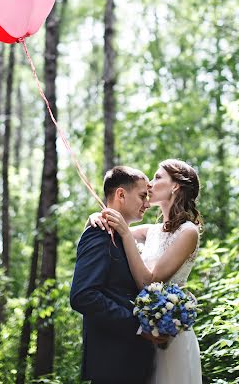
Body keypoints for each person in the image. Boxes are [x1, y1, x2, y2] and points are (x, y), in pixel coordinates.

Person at [90, 158, 203, 384]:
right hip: (146, 338)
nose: (150, 185)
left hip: (171, 336)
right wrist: (96, 216)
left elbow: (148, 281)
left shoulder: (188, 232)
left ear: (175, 186)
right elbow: (108, 226)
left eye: (157, 177)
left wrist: (124, 231)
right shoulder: (151, 231)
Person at [70, 165, 162, 384]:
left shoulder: (126, 237)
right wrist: (138, 325)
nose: (147, 204)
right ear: (121, 194)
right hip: (112, 363)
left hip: (134, 363)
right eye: (142, 196)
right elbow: (83, 296)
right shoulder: (98, 234)